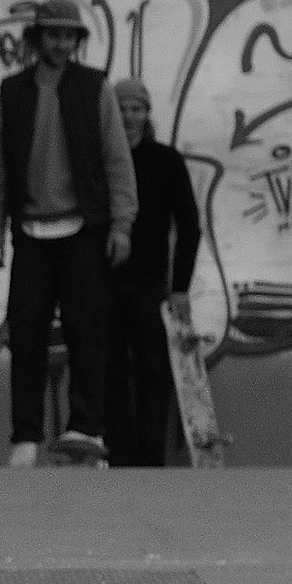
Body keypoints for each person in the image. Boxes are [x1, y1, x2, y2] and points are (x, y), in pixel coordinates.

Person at [0, 0, 138, 466]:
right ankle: (25, 437)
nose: (62, 43)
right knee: (26, 333)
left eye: (70, 35)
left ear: (77, 41)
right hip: (30, 233)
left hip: (84, 231)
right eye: (54, 34)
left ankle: (85, 428)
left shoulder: (95, 89)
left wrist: (122, 225)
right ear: (37, 38)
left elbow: (117, 161)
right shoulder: (13, 93)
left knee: (87, 331)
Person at [105, 77, 202, 466]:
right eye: (122, 108)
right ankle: (118, 458)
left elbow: (190, 226)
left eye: (136, 109)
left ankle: (149, 461)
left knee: (153, 371)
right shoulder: (99, 161)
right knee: (108, 373)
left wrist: (179, 288)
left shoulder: (166, 161)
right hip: (104, 283)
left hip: (150, 286)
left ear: (147, 113)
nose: (129, 116)